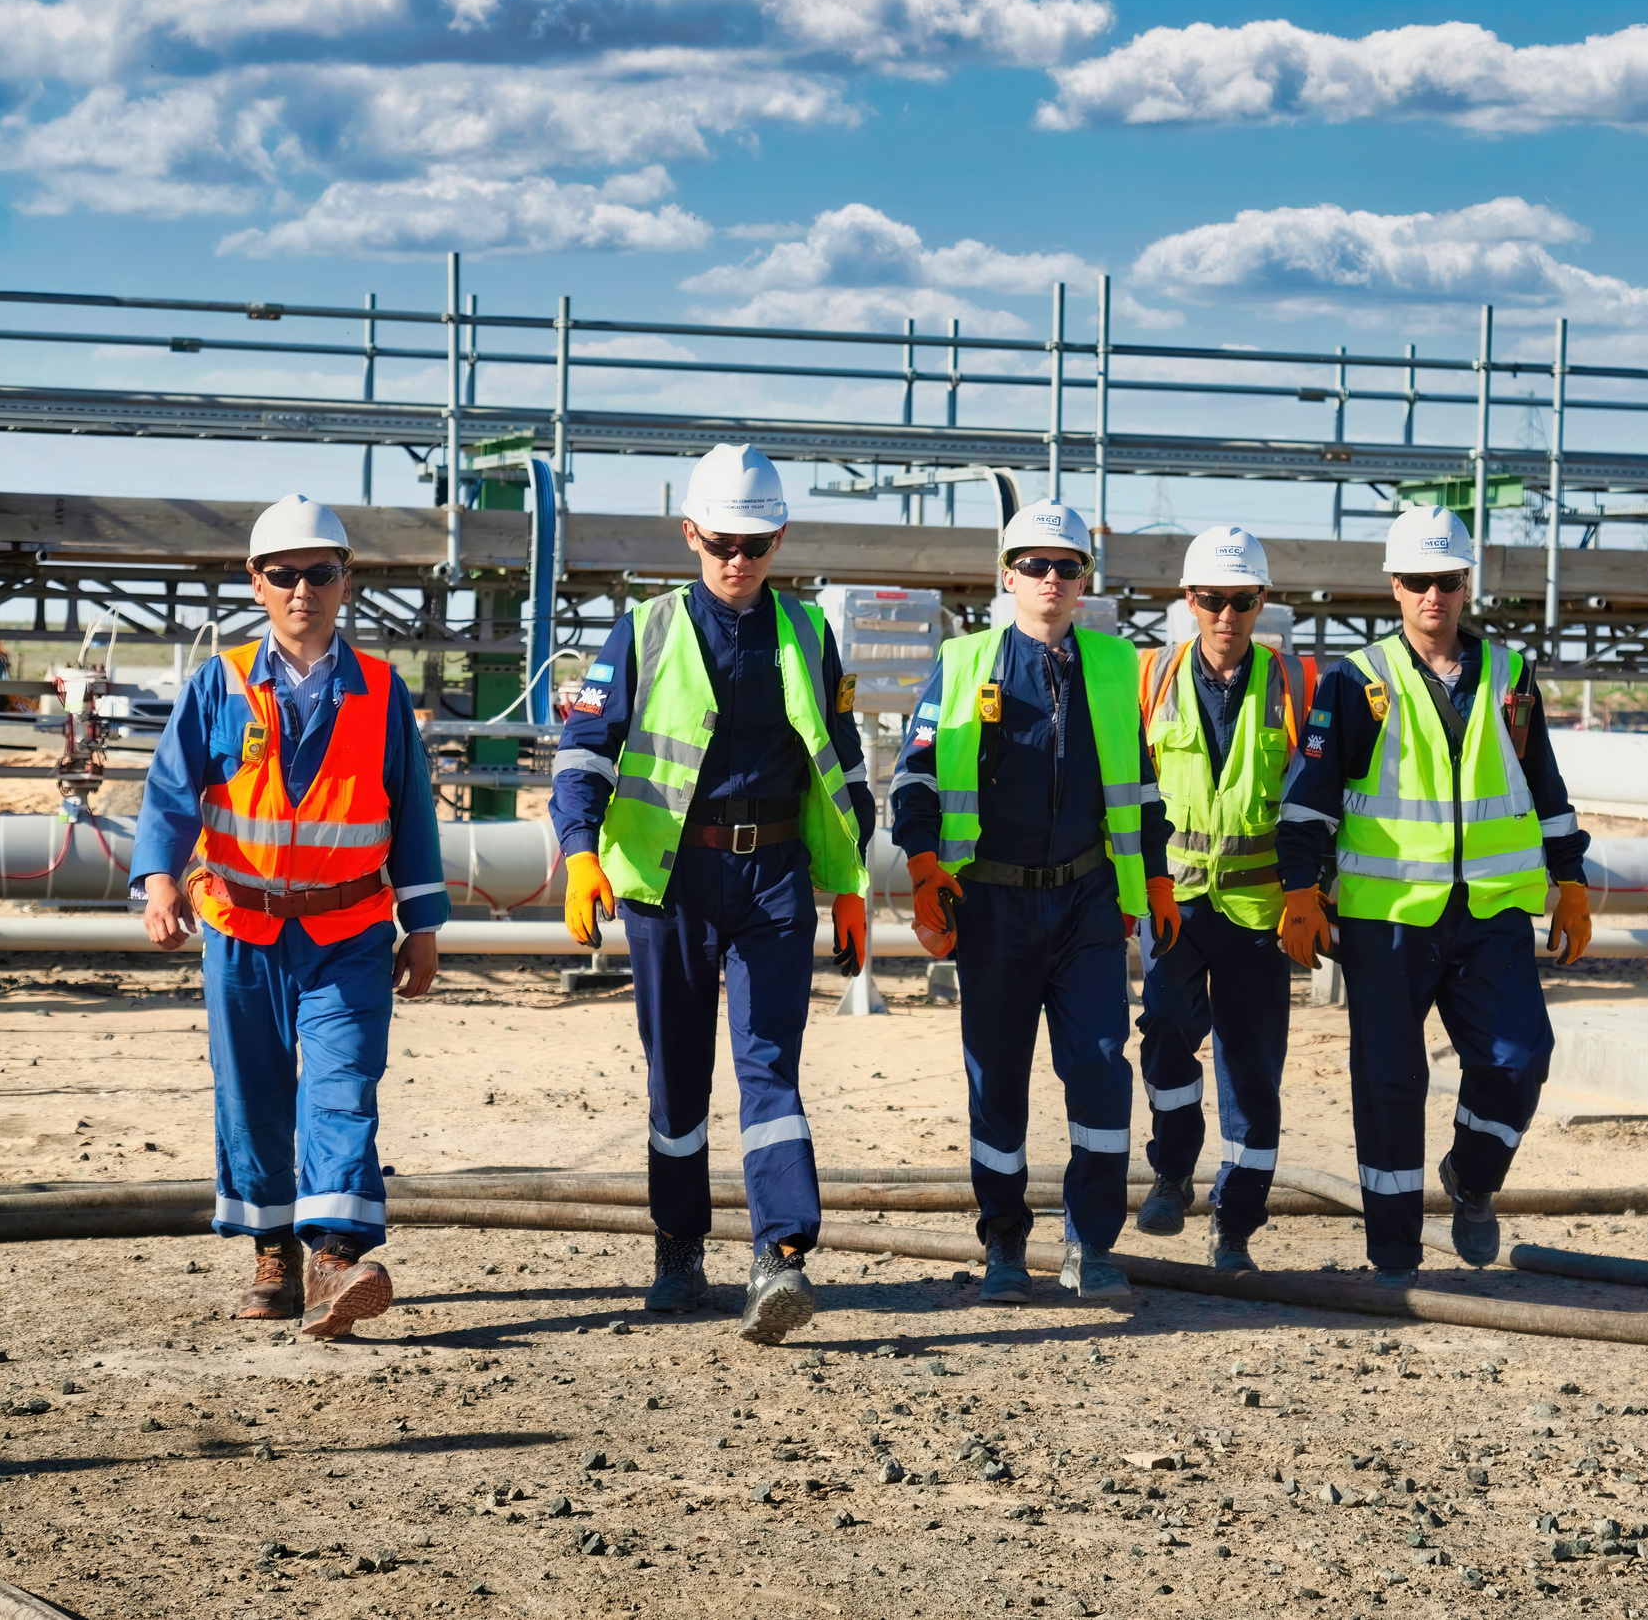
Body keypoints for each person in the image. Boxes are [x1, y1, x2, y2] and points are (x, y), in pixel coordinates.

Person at [553, 444, 873, 1345]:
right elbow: (582, 752)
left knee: (770, 1066)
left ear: (780, 539)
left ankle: (780, 1256)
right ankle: (678, 1247)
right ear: (690, 533)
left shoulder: (808, 634)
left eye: (757, 543)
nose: (738, 559)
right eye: (723, 541)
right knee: (678, 1076)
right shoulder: (644, 631)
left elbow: (842, 765)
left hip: (773, 877)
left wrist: (848, 884)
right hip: (671, 881)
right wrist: (581, 854)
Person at [132, 494, 445, 1339]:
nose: (302, 589)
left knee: (342, 1088)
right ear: (256, 583)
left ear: (347, 581)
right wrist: (158, 880)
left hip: (348, 930)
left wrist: (423, 925)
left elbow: (411, 814)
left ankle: (335, 1257)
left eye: (321, 572)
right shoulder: (222, 682)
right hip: (241, 928)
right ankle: (271, 1247)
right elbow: (170, 791)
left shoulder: (380, 690)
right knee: (254, 1095)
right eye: (284, 575)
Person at [1276, 505, 1590, 1286]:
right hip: (1389, 921)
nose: (1432, 597)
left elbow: (1543, 786)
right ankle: (1393, 1256)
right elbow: (1310, 795)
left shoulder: (1512, 677)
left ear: (1464, 584)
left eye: (1446, 581)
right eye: (1417, 581)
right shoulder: (1358, 680)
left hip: (1489, 913)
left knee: (1520, 1058)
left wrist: (1573, 877)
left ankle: (1474, 1178)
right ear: (1395, 586)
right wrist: (1300, 889)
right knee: (1389, 1084)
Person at [893, 500, 1178, 1302]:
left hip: (1087, 902)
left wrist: (1153, 876)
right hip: (990, 904)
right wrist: (922, 866)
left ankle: (1090, 1241)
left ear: (1086, 578)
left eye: (1068, 565)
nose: (1051, 579)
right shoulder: (961, 663)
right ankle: (1005, 1244)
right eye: (1035, 565)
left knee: (1097, 1069)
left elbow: (1143, 787)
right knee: (998, 1080)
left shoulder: (1119, 667)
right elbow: (914, 777)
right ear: (1006, 575)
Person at [1130, 527, 1309, 1270]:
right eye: (1212, 600)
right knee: (1167, 1033)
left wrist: (1311, 893)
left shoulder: (1296, 684)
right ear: (1188, 600)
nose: (1227, 615)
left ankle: (1235, 1222)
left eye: (1241, 600)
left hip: (1261, 912)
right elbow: (1126, 790)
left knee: (1252, 1066)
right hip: (1173, 902)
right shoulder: (1150, 679)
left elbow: (1319, 799)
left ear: (1262, 601)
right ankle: (1172, 1172)